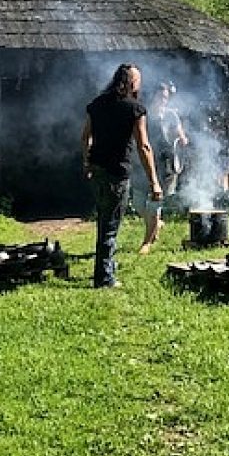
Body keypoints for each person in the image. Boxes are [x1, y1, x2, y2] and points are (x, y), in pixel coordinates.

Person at [81, 64, 162, 288]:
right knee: (110, 226)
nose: (140, 85)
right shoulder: (135, 109)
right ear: (131, 83)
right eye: (138, 81)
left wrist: (87, 162)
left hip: (97, 171)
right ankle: (104, 278)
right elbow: (144, 146)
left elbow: (85, 137)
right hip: (117, 174)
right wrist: (154, 181)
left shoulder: (97, 104)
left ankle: (106, 268)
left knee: (104, 221)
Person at [131, 81, 188, 255]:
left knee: (155, 204)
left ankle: (147, 242)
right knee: (138, 203)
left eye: (166, 97)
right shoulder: (143, 113)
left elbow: (181, 135)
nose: (164, 100)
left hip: (165, 165)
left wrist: (182, 140)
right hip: (144, 162)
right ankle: (156, 223)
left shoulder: (171, 115)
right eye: (161, 96)